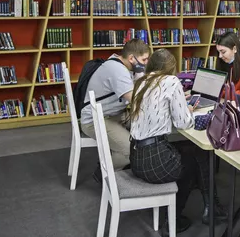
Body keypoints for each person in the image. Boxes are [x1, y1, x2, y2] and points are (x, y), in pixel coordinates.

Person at [129, 49, 225, 236]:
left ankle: (210, 206)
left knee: (191, 150)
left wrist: (179, 104)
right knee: (194, 159)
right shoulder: (171, 81)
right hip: (154, 163)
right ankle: (173, 218)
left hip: (137, 158)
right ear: (171, 68)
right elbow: (183, 122)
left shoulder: (141, 82)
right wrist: (187, 109)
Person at [80, 38, 150, 173]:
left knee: (148, 123)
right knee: (128, 149)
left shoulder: (118, 62)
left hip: (113, 114)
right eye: (144, 60)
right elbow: (135, 99)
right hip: (95, 121)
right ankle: (105, 173)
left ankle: (130, 161)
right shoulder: (118, 71)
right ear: (131, 58)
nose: (146, 63)